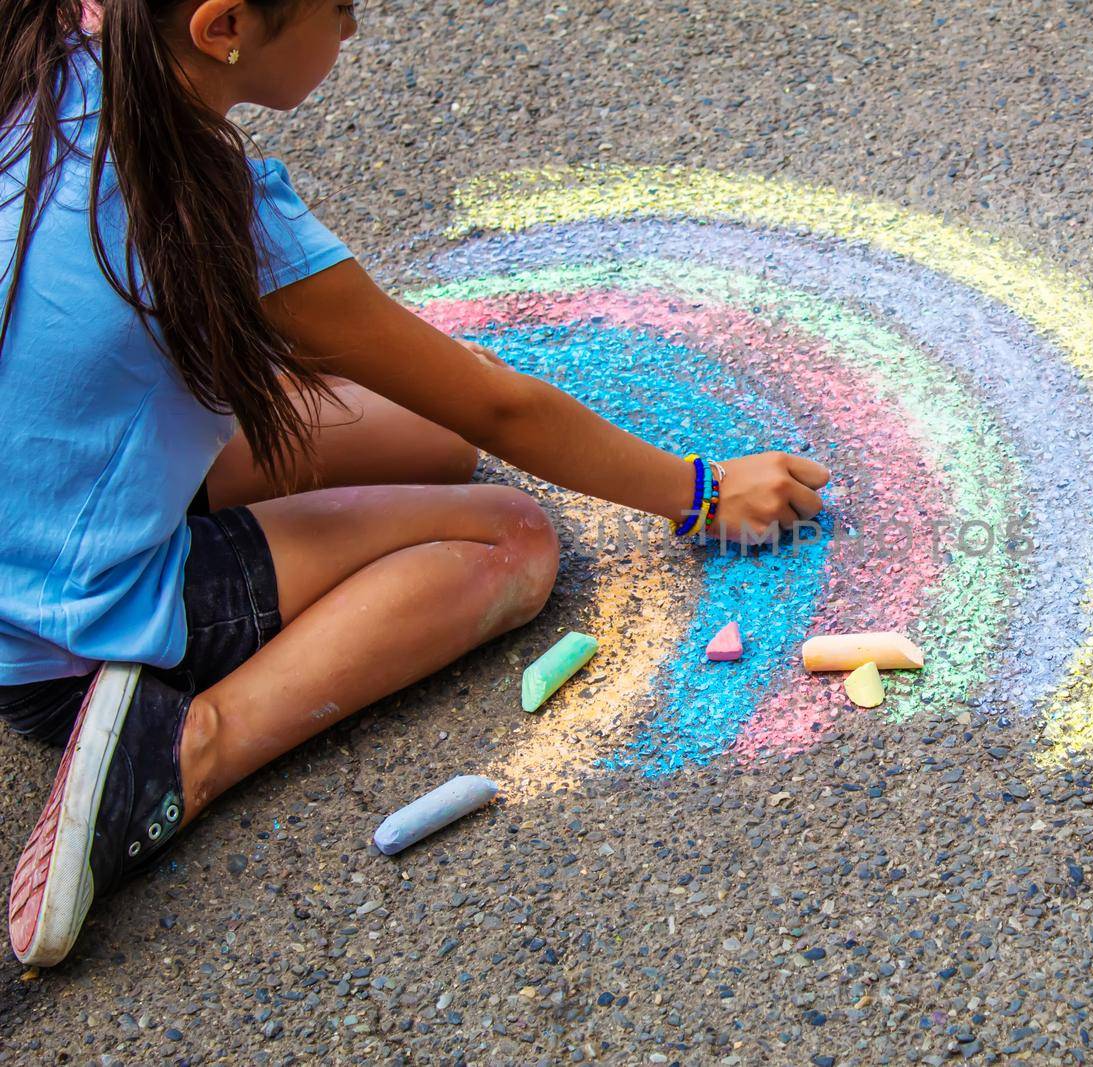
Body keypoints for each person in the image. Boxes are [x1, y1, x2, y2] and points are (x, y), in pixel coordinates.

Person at [0, 0, 828, 967]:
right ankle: (179, 750)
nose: (353, 30)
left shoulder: (52, 42)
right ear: (223, 26)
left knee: (426, 438)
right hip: (57, 628)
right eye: (341, 9)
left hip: (42, 489)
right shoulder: (208, 205)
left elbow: (456, 420)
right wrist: (698, 491)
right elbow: (501, 409)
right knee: (509, 540)